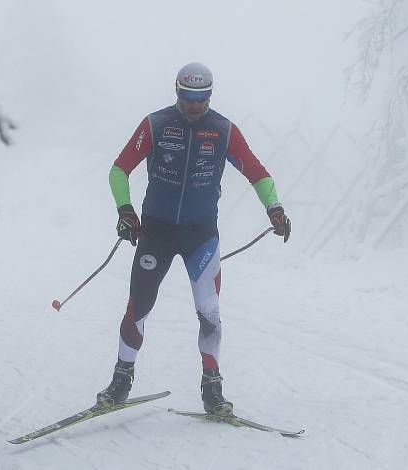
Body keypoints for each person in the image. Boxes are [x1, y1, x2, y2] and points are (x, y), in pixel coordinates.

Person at [97, 62, 291, 416]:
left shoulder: (223, 130)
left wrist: (274, 209)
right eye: (187, 97)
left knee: (210, 311)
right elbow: (119, 169)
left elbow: (257, 173)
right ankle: (121, 379)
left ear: (210, 95)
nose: (193, 105)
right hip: (155, 231)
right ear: (177, 92)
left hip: (201, 234)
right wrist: (125, 211)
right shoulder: (156, 124)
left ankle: (212, 387)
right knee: (138, 306)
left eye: (201, 98)